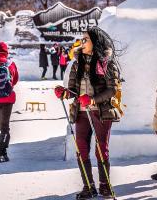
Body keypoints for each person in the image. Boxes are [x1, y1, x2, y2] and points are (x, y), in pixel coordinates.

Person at [55, 26, 121, 199]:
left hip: (100, 111)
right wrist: (65, 93)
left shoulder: (106, 62)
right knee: (81, 149)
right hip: (81, 112)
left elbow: (112, 89)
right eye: (82, 39)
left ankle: (105, 186)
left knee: (101, 149)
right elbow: (72, 90)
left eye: (86, 39)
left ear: (95, 41)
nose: (82, 42)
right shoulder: (77, 63)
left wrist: (92, 100)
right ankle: (88, 186)